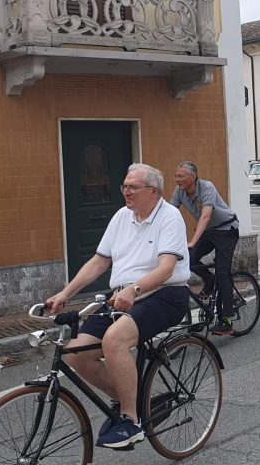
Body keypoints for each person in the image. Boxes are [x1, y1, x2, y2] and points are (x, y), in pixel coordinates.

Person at [45, 163, 190, 450]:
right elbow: (99, 261)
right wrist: (65, 293)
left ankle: (131, 420)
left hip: (165, 294)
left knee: (114, 340)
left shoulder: (170, 216)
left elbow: (166, 269)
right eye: (124, 186)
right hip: (122, 296)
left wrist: (135, 289)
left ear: (153, 191)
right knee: (76, 353)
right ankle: (129, 400)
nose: (126, 192)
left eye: (132, 187)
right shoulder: (122, 216)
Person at [169, 161, 239, 336]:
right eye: (176, 176)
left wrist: (193, 241)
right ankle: (209, 281)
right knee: (189, 259)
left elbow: (206, 216)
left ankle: (227, 320)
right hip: (208, 231)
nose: (177, 179)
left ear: (193, 177)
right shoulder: (179, 191)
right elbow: (168, 214)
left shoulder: (207, 187)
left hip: (226, 230)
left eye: (180, 176)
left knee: (223, 273)